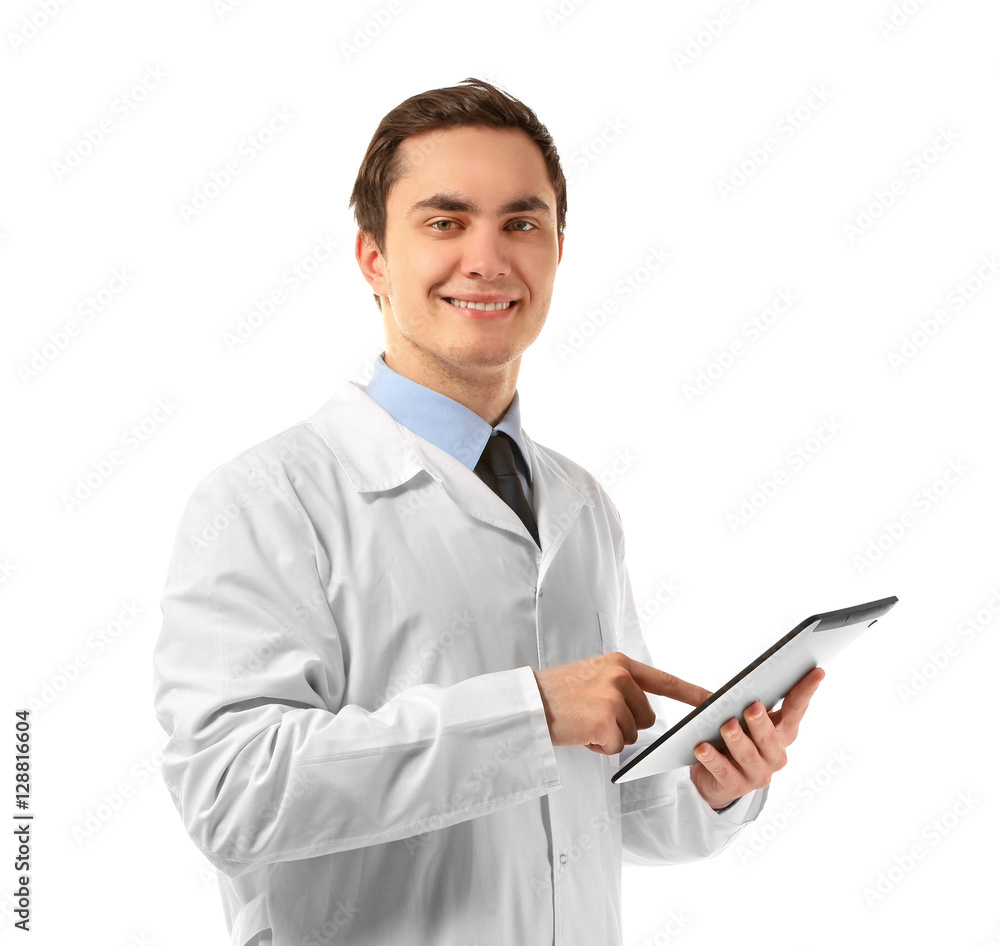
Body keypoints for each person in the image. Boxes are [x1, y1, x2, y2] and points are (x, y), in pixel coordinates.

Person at [152, 77, 824, 946]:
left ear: (554, 251)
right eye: (444, 221)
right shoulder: (267, 497)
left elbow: (604, 806)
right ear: (373, 260)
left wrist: (713, 780)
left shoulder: (579, 502)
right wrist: (530, 713)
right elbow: (232, 795)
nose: (488, 258)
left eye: (521, 222)